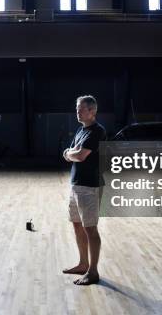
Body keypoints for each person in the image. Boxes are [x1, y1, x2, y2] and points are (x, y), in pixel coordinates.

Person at [62, 95, 106, 285]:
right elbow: (71, 152)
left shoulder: (97, 132)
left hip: (90, 186)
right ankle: (82, 263)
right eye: (77, 109)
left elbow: (78, 155)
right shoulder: (81, 130)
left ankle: (93, 271)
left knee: (90, 228)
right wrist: (71, 153)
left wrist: (71, 153)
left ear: (92, 111)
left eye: (81, 109)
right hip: (76, 184)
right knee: (77, 224)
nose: (77, 112)